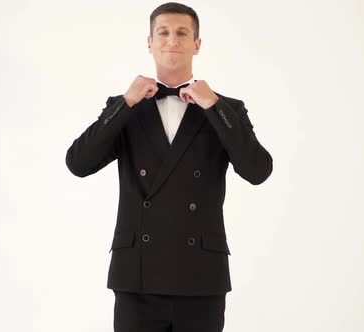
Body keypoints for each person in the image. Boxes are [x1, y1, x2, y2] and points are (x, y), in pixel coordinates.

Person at [66, 2, 273, 331]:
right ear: (149, 42)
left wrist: (214, 106)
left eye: (182, 33)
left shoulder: (225, 109)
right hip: (137, 279)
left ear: (197, 44)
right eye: (162, 32)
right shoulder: (127, 107)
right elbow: (78, 163)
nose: (172, 40)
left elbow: (258, 171)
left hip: (201, 278)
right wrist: (125, 103)